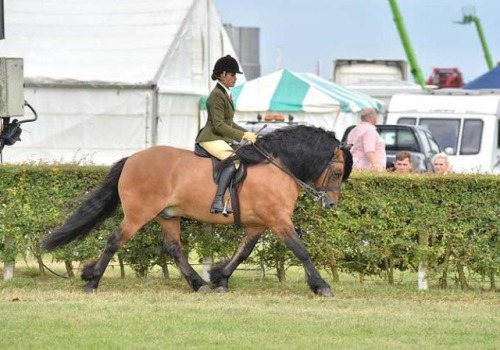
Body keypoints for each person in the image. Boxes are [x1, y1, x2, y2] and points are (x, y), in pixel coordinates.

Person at [196, 55, 257, 214]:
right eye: (232, 75)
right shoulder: (216, 96)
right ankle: (217, 201)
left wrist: (247, 133)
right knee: (234, 160)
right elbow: (219, 125)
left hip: (219, 136)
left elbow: (229, 122)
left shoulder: (225, 93)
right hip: (210, 137)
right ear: (222, 75)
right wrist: (242, 136)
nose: (235, 78)